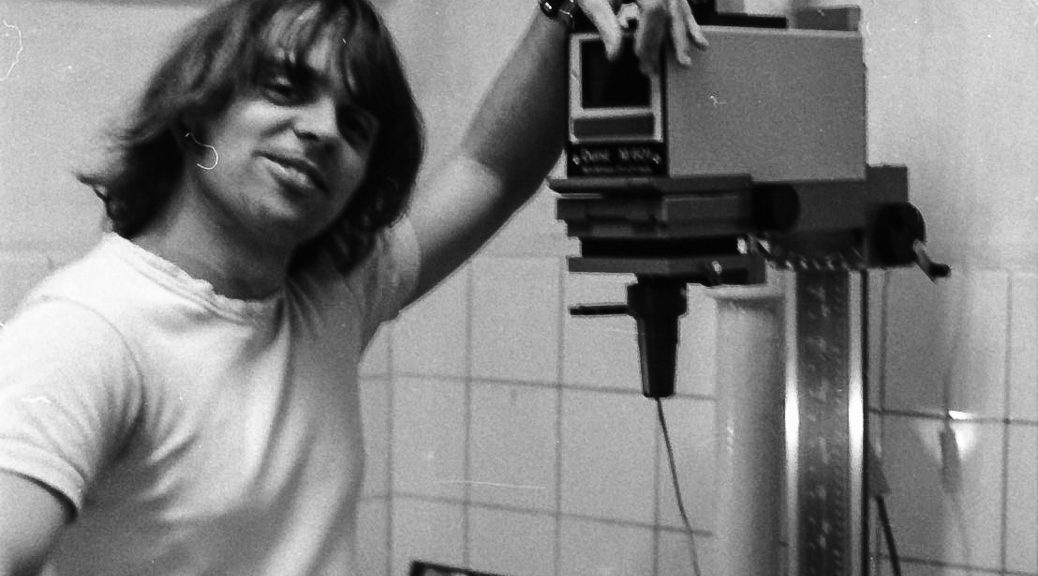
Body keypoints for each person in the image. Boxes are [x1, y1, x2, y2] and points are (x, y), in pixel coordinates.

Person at [0, 0, 706, 573]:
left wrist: (566, 10)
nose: (322, 131)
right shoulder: (89, 328)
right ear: (195, 118)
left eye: (356, 124)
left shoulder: (325, 300)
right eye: (286, 90)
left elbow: (491, 172)